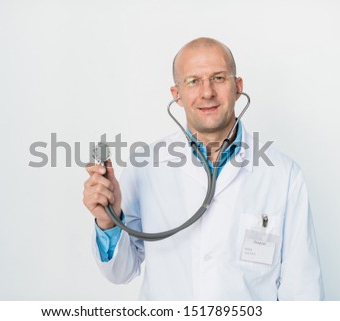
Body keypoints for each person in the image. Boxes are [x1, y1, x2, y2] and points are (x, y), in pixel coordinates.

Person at [83, 37, 324, 300]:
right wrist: (108, 220)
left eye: (218, 78)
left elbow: (302, 289)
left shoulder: (283, 175)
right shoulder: (145, 166)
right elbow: (121, 272)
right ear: (177, 95)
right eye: (193, 81)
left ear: (238, 87)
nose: (207, 92)